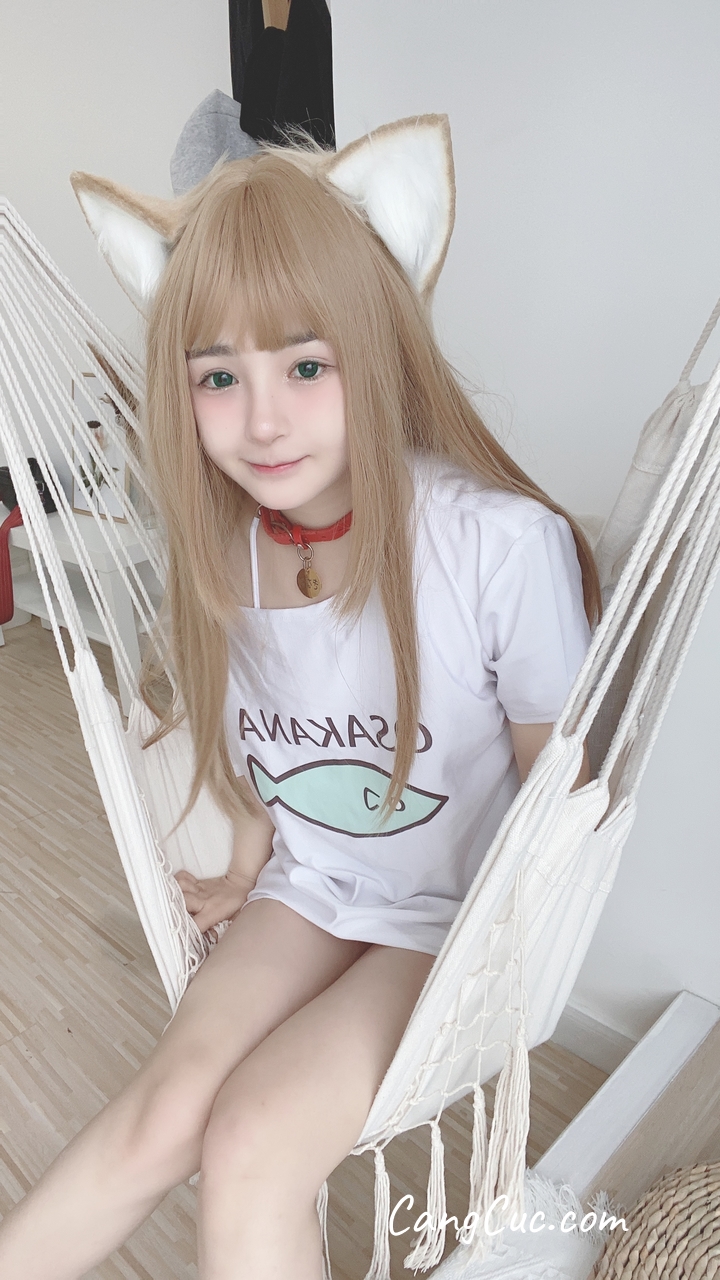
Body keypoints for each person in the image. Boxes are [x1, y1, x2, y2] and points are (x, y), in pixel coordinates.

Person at [0, 115, 598, 1280]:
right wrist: (245, 865)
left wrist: (508, 957)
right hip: (313, 888)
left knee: (253, 1141)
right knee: (163, 1107)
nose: (263, 418)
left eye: (306, 365)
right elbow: (269, 747)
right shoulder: (227, 554)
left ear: (377, 346)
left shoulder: (496, 545)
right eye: (218, 377)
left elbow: (555, 796)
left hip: (454, 920)